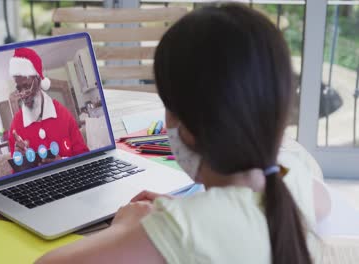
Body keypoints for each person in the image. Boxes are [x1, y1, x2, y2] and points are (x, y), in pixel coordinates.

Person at [36, 4, 330, 264]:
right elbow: (320, 202)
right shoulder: (294, 179)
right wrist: (195, 212)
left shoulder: (181, 231)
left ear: (187, 131)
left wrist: (126, 229)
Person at [8, 47, 89, 166]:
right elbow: (16, 175)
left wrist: (62, 162)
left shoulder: (63, 114)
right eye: (19, 89)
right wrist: (21, 161)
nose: (23, 95)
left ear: (38, 80)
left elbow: (85, 158)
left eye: (26, 86)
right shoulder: (16, 124)